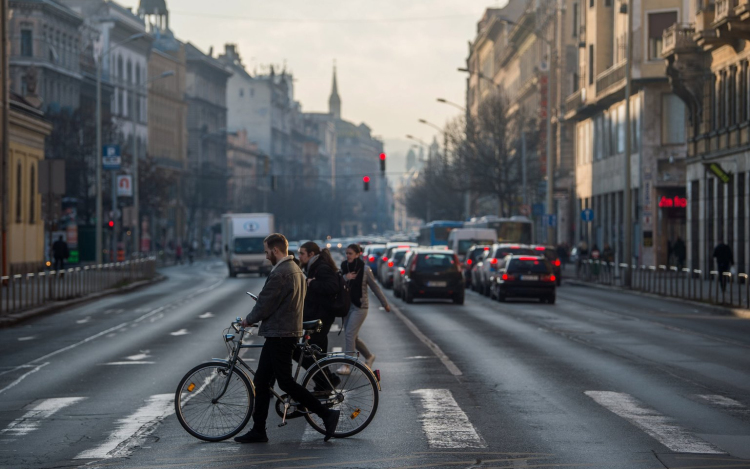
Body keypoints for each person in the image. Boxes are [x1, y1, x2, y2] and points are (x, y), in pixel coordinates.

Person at [235, 233, 339, 443]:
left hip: (281, 334)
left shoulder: (282, 273)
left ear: (275, 250)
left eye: (266, 252)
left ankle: (326, 414)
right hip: (281, 332)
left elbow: (265, 304)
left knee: (286, 383)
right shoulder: (295, 269)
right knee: (262, 382)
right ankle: (258, 430)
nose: (265, 256)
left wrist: (247, 320)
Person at [338, 244, 390, 374]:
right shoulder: (344, 267)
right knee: (352, 337)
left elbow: (375, 287)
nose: (348, 256)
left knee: (349, 333)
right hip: (346, 306)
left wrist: (384, 303)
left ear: (357, 254)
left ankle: (347, 365)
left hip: (360, 306)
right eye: (347, 253)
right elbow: (337, 283)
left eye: (350, 253)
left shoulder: (365, 269)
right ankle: (369, 356)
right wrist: (345, 278)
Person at [297, 242, 339, 367]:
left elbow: (333, 286)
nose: (300, 256)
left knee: (309, 352)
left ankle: (327, 380)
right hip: (317, 315)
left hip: (322, 316)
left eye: (302, 253)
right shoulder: (313, 266)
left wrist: (312, 283)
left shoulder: (321, 267)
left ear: (311, 254)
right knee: (317, 351)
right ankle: (326, 380)